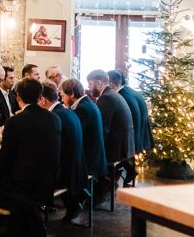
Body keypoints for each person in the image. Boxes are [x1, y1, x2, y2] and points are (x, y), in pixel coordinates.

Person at [0, 78, 60, 237]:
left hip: (24, 186)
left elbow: (5, 161)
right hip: (48, 182)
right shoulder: (54, 118)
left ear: (17, 97)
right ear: (40, 97)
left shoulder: (15, 121)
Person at [39, 81, 87, 223]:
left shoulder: (54, 117)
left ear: (43, 100)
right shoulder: (67, 112)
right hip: (77, 169)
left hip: (66, 175)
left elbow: (49, 151)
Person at [87, 69, 135, 202]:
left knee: (86, 153)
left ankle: (92, 194)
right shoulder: (113, 94)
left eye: (90, 84)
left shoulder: (106, 98)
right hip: (125, 145)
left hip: (117, 148)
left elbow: (102, 129)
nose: (89, 88)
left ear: (98, 82)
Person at [108, 69, 153, 184]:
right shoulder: (128, 91)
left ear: (112, 83)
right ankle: (127, 171)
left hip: (135, 136)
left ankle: (119, 175)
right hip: (141, 134)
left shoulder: (122, 96)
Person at [60, 78, 107, 180]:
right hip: (95, 156)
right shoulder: (87, 103)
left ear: (71, 94)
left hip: (90, 161)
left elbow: (75, 134)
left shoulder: (82, 108)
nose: (62, 100)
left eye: (63, 95)